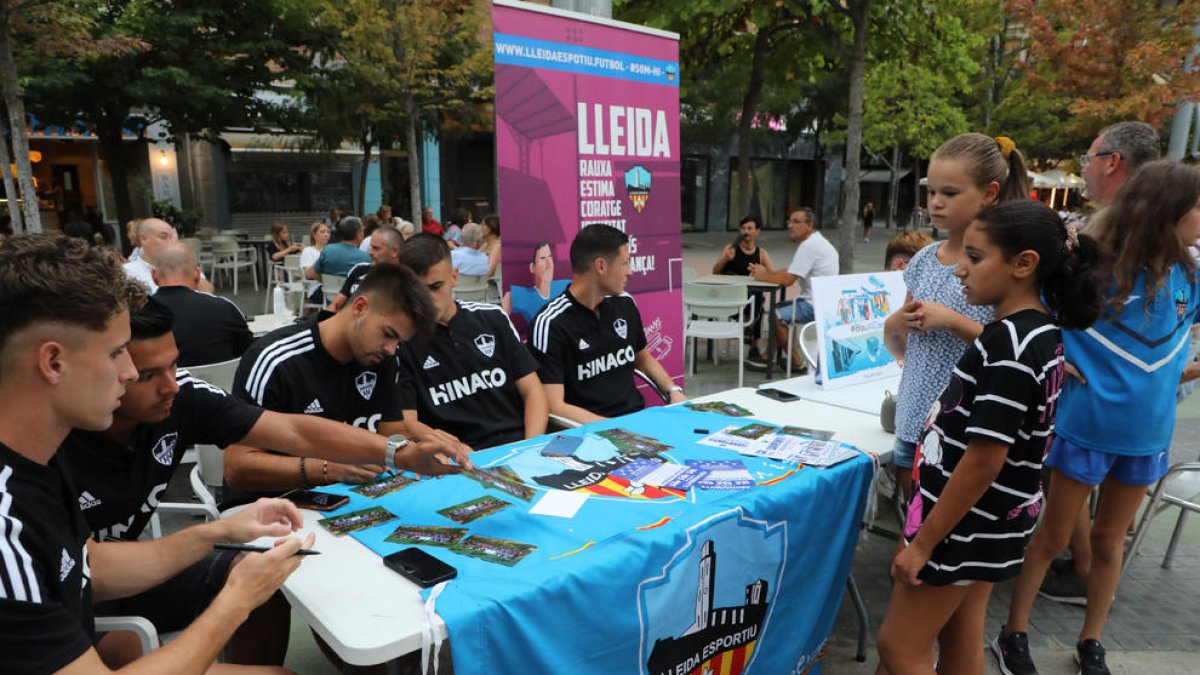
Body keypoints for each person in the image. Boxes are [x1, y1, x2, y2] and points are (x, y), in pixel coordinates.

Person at [58, 293, 467, 663]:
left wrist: (398, 453)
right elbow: (91, 574)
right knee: (136, 642)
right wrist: (231, 586)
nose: (171, 386)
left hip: (111, 570)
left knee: (260, 573)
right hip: (70, 602)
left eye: (174, 364)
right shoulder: (51, 443)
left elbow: (293, 430)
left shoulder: (182, 395)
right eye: (146, 375)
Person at [0, 233, 311, 674]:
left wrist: (217, 532)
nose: (129, 372)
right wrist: (238, 597)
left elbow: (91, 564)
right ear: (53, 363)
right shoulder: (6, 524)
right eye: (115, 353)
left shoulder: (37, 459)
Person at [877, 200, 1107, 675]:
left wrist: (923, 544)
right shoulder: (1037, 333)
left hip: (962, 525)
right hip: (987, 523)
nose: (960, 269)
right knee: (960, 637)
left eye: (976, 257)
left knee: (899, 647)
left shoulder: (1010, 344)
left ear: (1024, 264)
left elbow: (985, 459)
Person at [993, 161, 1200, 675]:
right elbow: (1024, 309)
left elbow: (1171, 352)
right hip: (1083, 430)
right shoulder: (1088, 270)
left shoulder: (1189, 277)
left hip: (1148, 436)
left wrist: (1184, 370)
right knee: (1052, 537)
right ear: (1167, 211)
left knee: (1109, 543)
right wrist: (1056, 357)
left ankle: (1092, 640)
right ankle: (1013, 632)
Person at [1037, 121, 1161, 607]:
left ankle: (1086, 567)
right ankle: (1089, 564)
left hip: (1102, 396)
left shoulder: (1118, 233)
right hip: (1131, 397)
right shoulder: (1148, 229)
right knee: (1100, 495)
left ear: (1112, 162)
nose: (1085, 169)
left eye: (1089, 158)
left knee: (1080, 484)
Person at [226, 264, 471, 494]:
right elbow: (236, 468)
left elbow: (391, 433)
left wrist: (418, 448)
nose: (391, 349)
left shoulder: (383, 359)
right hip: (271, 504)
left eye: (399, 341)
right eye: (388, 334)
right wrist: (328, 469)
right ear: (360, 307)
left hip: (347, 498)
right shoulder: (275, 360)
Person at [883, 134, 1029, 507]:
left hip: (966, 427)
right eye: (931, 191)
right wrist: (896, 324)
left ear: (989, 193)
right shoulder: (923, 259)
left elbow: (1013, 351)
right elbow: (901, 348)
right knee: (914, 519)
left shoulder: (1002, 266)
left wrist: (951, 321)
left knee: (946, 526)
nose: (935, 202)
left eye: (949, 193)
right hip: (913, 417)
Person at [396, 234, 547, 449]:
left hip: (519, 445)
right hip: (457, 458)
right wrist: (453, 450)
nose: (426, 299)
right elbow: (407, 422)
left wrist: (530, 447)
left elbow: (533, 391)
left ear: (454, 277)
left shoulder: (493, 318)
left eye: (435, 287)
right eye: (416, 291)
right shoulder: (400, 342)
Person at [528, 224, 685, 424]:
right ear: (601, 266)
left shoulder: (625, 303)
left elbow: (643, 357)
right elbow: (553, 405)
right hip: (589, 432)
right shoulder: (550, 324)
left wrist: (673, 391)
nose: (630, 272)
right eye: (625, 263)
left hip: (638, 423)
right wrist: (613, 429)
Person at [747, 208, 838, 371]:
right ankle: (769, 357)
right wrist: (767, 273)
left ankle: (798, 363)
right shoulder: (816, 242)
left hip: (815, 305)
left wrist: (762, 276)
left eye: (796, 222)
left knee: (776, 315)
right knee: (778, 308)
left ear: (809, 225)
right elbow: (792, 271)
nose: (790, 226)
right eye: (789, 221)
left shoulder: (809, 246)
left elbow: (788, 280)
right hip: (824, 302)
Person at [151, 242, 254, 366]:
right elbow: (250, 353)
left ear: (154, 275)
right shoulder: (224, 308)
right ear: (197, 274)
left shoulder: (139, 312)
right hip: (222, 378)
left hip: (169, 379)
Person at [713, 215, 775, 367]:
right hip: (731, 302)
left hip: (751, 302)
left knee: (757, 298)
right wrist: (725, 259)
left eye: (749, 228)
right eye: (743, 228)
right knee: (758, 302)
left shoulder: (761, 253)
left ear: (757, 232)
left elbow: (773, 274)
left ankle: (749, 331)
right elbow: (715, 271)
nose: (746, 231)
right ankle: (753, 343)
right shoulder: (731, 249)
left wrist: (762, 272)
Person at [328, 226, 403, 312]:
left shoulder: (403, 280)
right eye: (371, 247)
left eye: (376, 248)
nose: (370, 252)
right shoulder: (359, 270)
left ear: (394, 251)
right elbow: (336, 304)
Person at [509, 240, 571, 336]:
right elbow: (500, 322)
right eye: (542, 258)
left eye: (550, 257)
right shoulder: (520, 295)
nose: (549, 265)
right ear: (532, 267)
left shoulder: (566, 286)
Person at [481, 214, 502, 280]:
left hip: (489, 283)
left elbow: (489, 271)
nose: (480, 227)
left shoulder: (497, 247)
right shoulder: (485, 245)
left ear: (492, 227)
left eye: (483, 225)